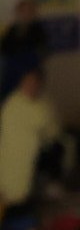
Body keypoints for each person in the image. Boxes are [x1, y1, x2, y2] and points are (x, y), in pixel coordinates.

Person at [0, 67, 57, 214]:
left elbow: (51, 132)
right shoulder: (12, 105)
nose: (30, 86)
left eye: (34, 83)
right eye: (27, 82)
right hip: (10, 159)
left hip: (30, 160)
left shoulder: (43, 107)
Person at [0, 0, 47, 101]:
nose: (26, 14)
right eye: (23, 11)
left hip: (29, 72)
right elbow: (4, 48)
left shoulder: (38, 30)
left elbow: (44, 52)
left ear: (34, 13)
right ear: (18, 13)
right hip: (11, 72)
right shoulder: (12, 29)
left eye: (29, 11)